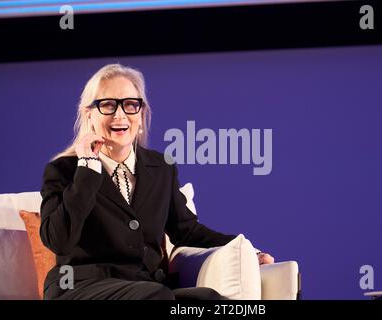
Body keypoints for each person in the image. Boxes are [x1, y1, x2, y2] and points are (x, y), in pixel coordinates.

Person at [40, 63, 274, 300]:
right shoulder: (64, 170)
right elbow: (59, 241)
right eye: (108, 105)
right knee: (156, 296)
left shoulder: (161, 168)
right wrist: (88, 167)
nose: (120, 115)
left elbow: (187, 231)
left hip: (146, 287)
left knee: (209, 299)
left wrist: (246, 250)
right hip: (80, 288)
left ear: (141, 116)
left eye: (130, 105)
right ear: (89, 114)